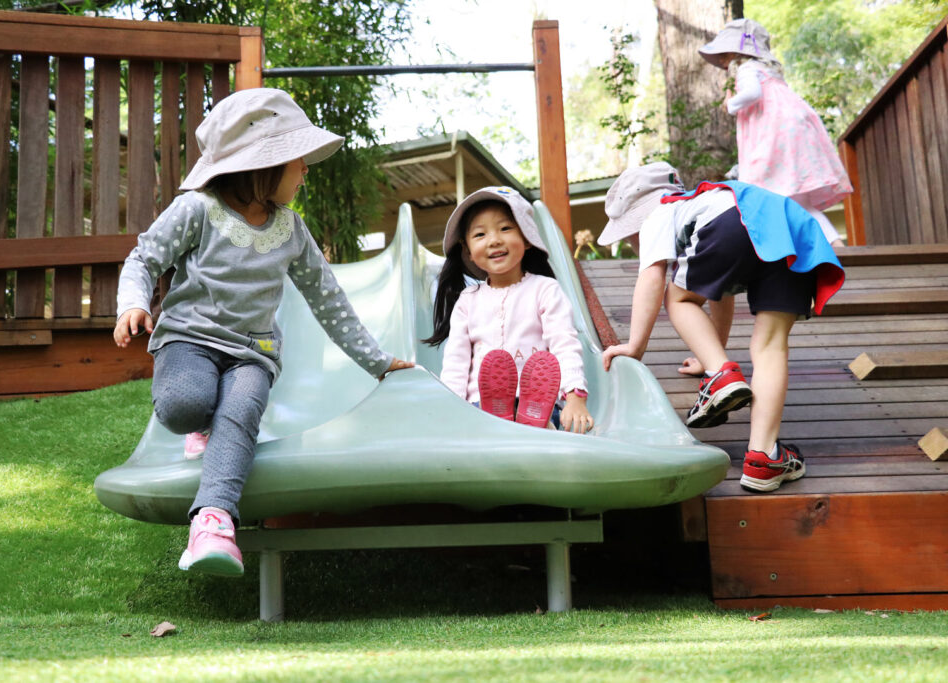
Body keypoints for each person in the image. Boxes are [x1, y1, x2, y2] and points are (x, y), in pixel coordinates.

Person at [113, 88, 412, 576]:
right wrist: (132, 302)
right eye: (299, 160)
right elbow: (144, 258)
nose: (306, 171)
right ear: (264, 165)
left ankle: (212, 522)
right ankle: (202, 422)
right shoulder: (198, 210)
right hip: (189, 340)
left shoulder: (291, 230)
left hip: (254, 353)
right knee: (184, 405)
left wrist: (378, 362)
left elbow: (330, 303)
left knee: (241, 411)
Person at [598, 162, 844, 492]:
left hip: (732, 224)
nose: (632, 242)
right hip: (792, 230)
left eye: (629, 236)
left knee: (678, 298)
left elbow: (651, 278)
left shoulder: (663, 210)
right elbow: (720, 293)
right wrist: (710, 357)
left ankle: (721, 374)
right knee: (770, 347)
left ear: (638, 216)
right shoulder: (707, 200)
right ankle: (763, 459)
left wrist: (635, 346)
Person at [423, 187, 593, 434]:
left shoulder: (544, 289)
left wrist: (575, 395)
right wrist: (451, 408)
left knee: (540, 411)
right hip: (478, 405)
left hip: (539, 405)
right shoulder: (468, 300)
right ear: (468, 250)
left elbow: (564, 342)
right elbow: (456, 362)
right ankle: (502, 419)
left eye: (505, 229)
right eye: (480, 234)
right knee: (483, 409)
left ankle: (534, 422)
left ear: (526, 237)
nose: (494, 240)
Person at [699, 18, 852, 248]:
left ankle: (792, 254)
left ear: (736, 53)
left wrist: (731, 104)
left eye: (724, 54)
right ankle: (836, 247)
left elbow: (751, 93)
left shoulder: (747, 69)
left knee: (771, 201)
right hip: (796, 133)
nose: (721, 61)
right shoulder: (768, 71)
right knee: (798, 204)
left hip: (775, 138)